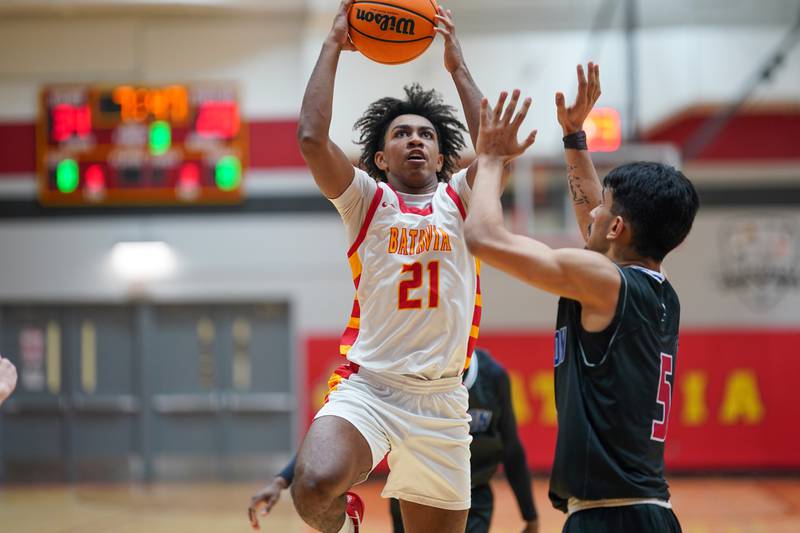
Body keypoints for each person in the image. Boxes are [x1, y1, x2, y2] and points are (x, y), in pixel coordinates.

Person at [258, 3, 528, 532]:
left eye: (427, 134)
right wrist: (333, 42)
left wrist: (456, 66)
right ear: (380, 158)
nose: (415, 139)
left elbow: (494, 154)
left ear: (442, 154)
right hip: (372, 385)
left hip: (444, 399)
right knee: (313, 486)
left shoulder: (462, 197)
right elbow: (312, 139)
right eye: (402, 133)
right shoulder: (366, 200)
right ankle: (350, 520)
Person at [463, 64, 699, 533]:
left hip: (611, 519)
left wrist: (489, 160)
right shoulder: (657, 286)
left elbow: (483, 237)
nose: (590, 211)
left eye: (603, 209)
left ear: (616, 227)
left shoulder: (605, 281)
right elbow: (601, 230)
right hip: (649, 511)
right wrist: (574, 137)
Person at [249, 348, 539, 533]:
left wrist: (530, 514)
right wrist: (282, 479)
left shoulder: (493, 375)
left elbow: (512, 450)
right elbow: (332, 432)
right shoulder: (391, 375)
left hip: (473, 496)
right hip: (408, 491)